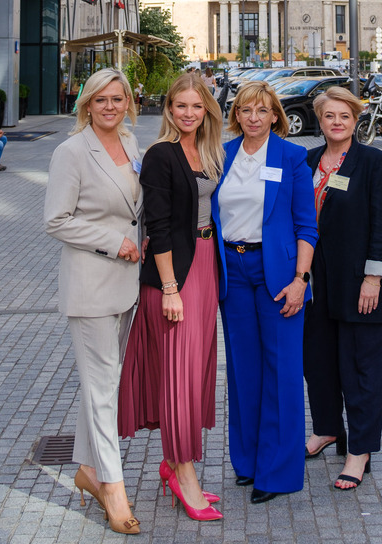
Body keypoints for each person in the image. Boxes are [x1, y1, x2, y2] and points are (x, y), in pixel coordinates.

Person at [118, 72, 225, 523]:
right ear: (168, 109)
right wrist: (169, 289)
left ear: (207, 110)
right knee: (179, 375)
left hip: (207, 264)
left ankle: (173, 465)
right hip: (175, 274)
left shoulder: (210, 150)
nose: (188, 113)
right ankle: (184, 476)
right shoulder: (161, 154)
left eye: (197, 106)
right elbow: (157, 226)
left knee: (195, 369)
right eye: (181, 105)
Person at [44, 69, 143, 535]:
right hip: (91, 286)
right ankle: (112, 487)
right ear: (86, 104)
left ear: (128, 103)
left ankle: (86, 468)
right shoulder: (71, 152)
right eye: (100, 99)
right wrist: (113, 242)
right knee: (103, 390)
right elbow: (56, 220)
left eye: (117, 99)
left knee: (103, 385)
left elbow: (136, 210)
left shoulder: (131, 143)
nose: (109, 107)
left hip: (127, 283)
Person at [212, 81, 318, 504]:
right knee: (243, 370)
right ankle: (249, 462)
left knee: (282, 372)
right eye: (245, 110)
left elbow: (306, 225)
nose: (253, 118)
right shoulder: (221, 155)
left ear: (276, 115)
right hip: (232, 270)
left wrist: (300, 280)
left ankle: (277, 472)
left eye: (262, 111)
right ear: (235, 115)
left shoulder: (292, 157)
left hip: (279, 275)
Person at [303, 85, 382, 491]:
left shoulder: (375, 163)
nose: (337, 122)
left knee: (361, 370)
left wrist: (374, 278)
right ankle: (327, 429)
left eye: (344, 115)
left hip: (360, 284)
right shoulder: (307, 161)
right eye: (329, 115)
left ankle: (359, 450)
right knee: (319, 363)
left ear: (356, 119)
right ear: (319, 120)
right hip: (315, 284)